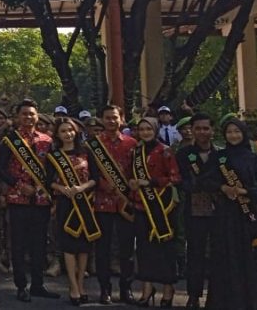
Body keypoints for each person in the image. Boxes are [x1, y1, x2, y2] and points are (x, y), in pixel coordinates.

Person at [0, 99, 60, 301]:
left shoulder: (47, 141)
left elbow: (52, 170)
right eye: (24, 114)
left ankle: (38, 284)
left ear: (37, 115)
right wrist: (18, 185)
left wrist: (47, 190)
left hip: (41, 200)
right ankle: (21, 285)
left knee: (39, 244)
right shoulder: (10, 140)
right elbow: (0, 168)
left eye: (32, 114)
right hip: (18, 199)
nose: (28, 117)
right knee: (19, 244)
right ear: (17, 117)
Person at [213, 115, 257, 310]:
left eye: (237, 131)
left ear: (243, 133)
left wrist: (244, 191)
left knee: (249, 260)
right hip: (226, 216)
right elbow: (205, 180)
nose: (233, 135)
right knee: (227, 258)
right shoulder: (219, 157)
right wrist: (223, 188)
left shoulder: (254, 158)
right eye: (229, 132)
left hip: (248, 216)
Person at [45, 118, 100, 306]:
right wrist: (61, 189)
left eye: (70, 130)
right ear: (58, 135)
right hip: (65, 203)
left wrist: (82, 187)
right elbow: (47, 181)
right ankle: (73, 285)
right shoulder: (53, 155)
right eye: (63, 131)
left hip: (85, 203)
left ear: (76, 132)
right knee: (68, 245)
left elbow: (96, 179)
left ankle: (82, 284)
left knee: (84, 246)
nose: (67, 134)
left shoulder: (86, 152)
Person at [87, 104, 138, 304]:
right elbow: (89, 172)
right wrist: (102, 183)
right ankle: (104, 289)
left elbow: (137, 170)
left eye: (115, 117)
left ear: (121, 119)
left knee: (127, 249)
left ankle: (126, 288)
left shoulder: (132, 143)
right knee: (103, 249)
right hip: (102, 202)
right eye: (107, 117)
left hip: (126, 203)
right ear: (102, 119)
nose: (111, 121)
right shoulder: (93, 145)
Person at [129, 116, 181, 306]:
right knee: (144, 249)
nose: (145, 133)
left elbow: (175, 178)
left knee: (165, 248)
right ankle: (147, 288)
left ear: (155, 130)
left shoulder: (165, 151)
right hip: (141, 206)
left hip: (163, 207)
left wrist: (150, 182)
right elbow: (131, 175)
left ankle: (168, 289)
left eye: (148, 129)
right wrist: (133, 183)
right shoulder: (135, 152)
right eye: (141, 129)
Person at [175, 113, 221, 309]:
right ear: (192, 130)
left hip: (219, 210)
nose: (202, 132)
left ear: (212, 130)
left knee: (219, 254)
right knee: (195, 254)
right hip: (193, 209)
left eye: (206, 128)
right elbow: (178, 179)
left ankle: (217, 295)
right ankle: (193, 295)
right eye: (198, 128)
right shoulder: (184, 155)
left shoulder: (221, 154)